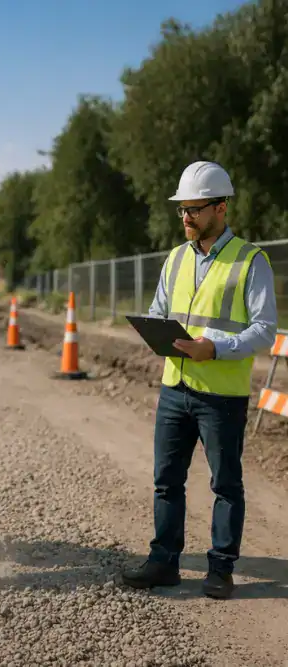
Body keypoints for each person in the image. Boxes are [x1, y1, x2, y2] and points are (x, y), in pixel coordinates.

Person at [120, 160, 278, 599]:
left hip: (221, 396)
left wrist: (216, 347)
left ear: (221, 208)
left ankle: (221, 568)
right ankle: (164, 562)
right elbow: (159, 309)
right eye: (182, 209)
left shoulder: (251, 260)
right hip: (175, 389)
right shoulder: (174, 259)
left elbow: (265, 329)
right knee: (166, 480)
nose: (186, 217)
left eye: (195, 208)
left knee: (225, 484)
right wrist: (153, 328)